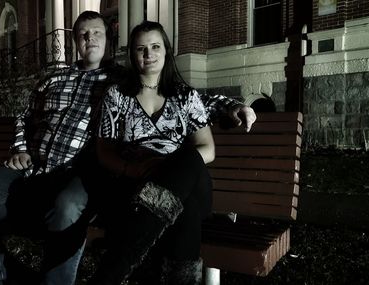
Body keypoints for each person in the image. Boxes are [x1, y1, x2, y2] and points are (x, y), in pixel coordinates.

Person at [0, 11, 116, 285]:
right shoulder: (54, 79)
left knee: (67, 206)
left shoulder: (117, 83)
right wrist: (20, 148)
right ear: (75, 40)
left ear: (107, 38)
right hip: (32, 168)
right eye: (83, 34)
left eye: (97, 32)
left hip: (77, 173)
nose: (90, 38)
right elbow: (24, 117)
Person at [87, 21, 256, 285]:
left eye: (155, 47)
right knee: (183, 210)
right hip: (136, 186)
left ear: (166, 51)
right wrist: (132, 169)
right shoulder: (117, 96)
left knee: (188, 158)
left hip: (182, 183)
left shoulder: (184, 96)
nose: (148, 54)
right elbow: (104, 152)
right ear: (132, 54)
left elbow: (207, 148)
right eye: (141, 48)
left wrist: (170, 167)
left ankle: (112, 272)